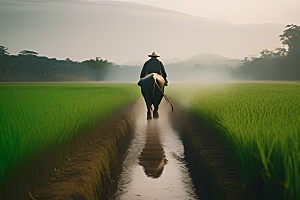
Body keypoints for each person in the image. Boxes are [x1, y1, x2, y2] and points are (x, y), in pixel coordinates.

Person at [139, 52, 168, 119]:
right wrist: (165, 80)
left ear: (151, 57)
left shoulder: (147, 63)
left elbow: (143, 73)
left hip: (147, 78)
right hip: (159, 77)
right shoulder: (159, 63)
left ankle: (148, 110)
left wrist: (141, 79)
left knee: (146, 94)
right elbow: (163, 73)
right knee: (160, 93)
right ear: (156, 57)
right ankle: (156, 109)